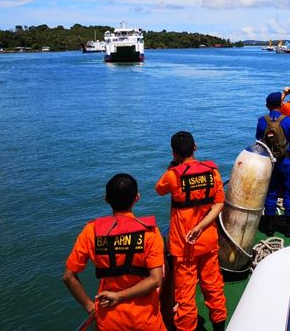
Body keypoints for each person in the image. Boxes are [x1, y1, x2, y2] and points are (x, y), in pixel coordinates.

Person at [63, 173, 166, 331]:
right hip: (145, 319)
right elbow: (156, 280)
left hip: (109, 318)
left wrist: (89, 305)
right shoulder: (150, 233)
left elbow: (68, 276)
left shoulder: (91, 232)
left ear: (107, 199)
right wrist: (120, 297)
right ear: (137, 197)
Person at [155, 132, 227, 331]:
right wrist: (201, 227)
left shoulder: (173, 175)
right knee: (213, 287)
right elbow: (219, 203)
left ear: (174, 152)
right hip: (208, 240)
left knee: (185, 297)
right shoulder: (212, 172)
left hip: (184, 246)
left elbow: (159, 189)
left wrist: (173, 165)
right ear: (195, 147)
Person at [257, 91, 290, 237]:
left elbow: (259, 143)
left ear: (267, 105)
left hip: (270, 163)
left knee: (271, 193)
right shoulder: (288, 121)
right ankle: (289, 227)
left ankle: (269, 226)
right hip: (287, 162)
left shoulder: (261, 121)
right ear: (281, 105)